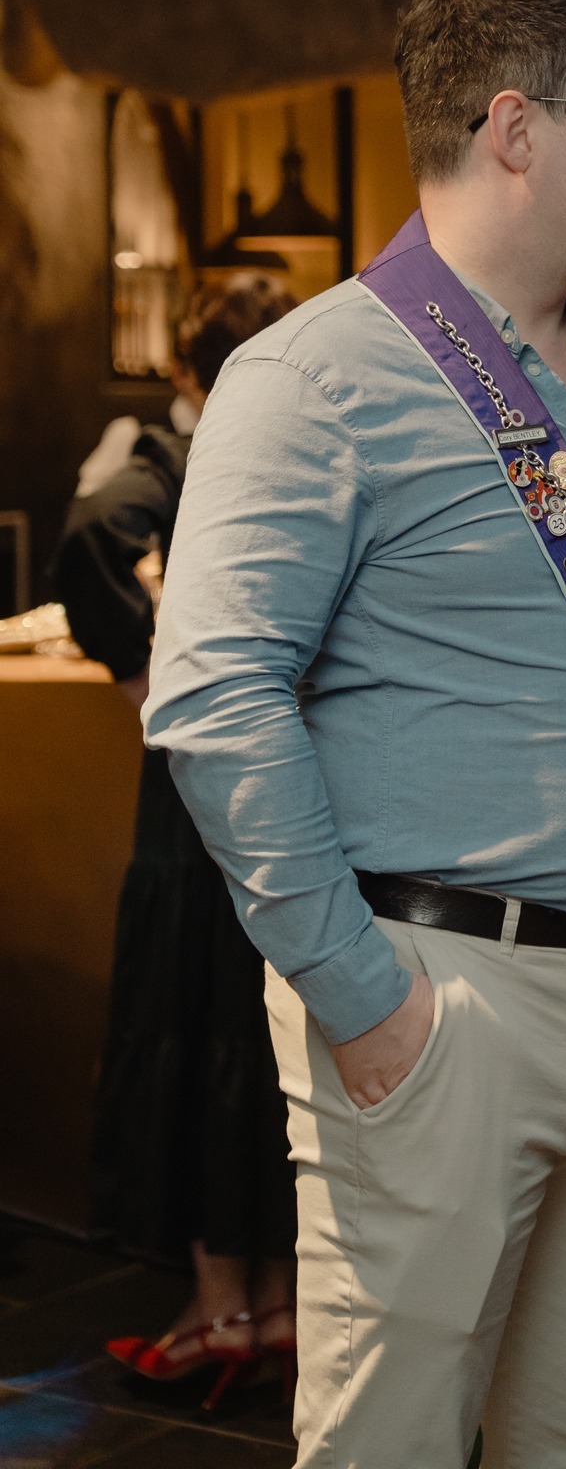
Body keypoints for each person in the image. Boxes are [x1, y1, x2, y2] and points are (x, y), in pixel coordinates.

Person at [145, 0, 566, 1469]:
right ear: (516, 128)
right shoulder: (316, 374)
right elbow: (215, 699)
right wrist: (363, 999)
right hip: (449, 998)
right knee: (395, 1442)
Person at [52, 274, 299, 1409]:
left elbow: (91, 534)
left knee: (193, 1025)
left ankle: (220, 1312)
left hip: (198, 787)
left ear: (190, 367)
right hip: (295, 772)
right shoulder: (306, 441)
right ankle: (284, 1303)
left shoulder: (175, 448)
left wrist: (146, 667)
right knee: (273, 1034)